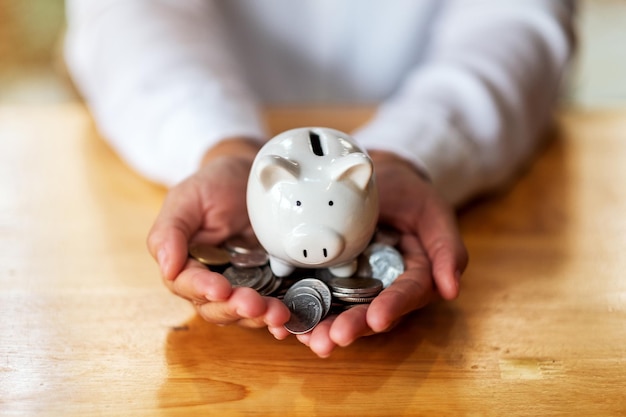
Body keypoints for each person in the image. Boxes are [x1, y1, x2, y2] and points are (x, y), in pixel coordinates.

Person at [64, 0, 575, 357]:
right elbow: (128, 11)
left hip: (426, 106)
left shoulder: (360, 174)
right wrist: (216, 138)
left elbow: (514, 15)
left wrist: (415, 147)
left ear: (359, 183)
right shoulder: (269, 179)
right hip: (212, 96)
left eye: (333, 208)